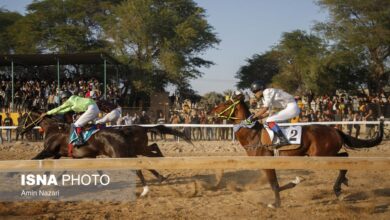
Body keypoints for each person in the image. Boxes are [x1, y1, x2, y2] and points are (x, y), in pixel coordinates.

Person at [247, 80, 300, 146]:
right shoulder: (265, 98)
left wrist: (253, 117)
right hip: (289, 107)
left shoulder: (267, 92)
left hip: (292, 107)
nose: (255, 94)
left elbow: (265, 108)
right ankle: (281, 138)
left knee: (269, 121)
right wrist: (256, 118)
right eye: (253, 92)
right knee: (269, 121)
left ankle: (283, 139)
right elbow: (267, 113)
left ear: (261, 89)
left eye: (255, 91)